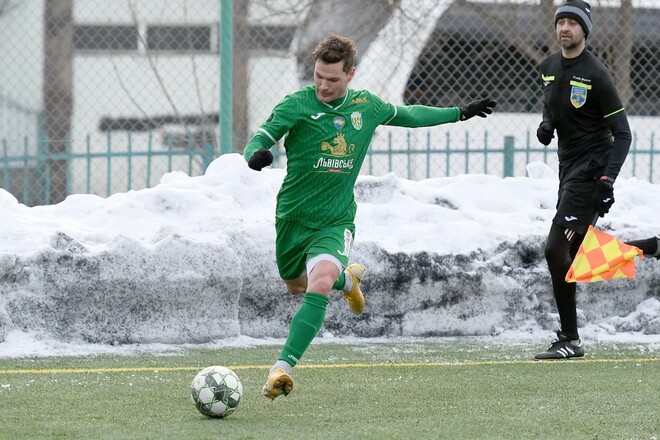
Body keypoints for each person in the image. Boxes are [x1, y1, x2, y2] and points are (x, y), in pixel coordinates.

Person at [244, 33, 496, 398]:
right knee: (297, 286)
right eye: (318, 76)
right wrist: (256, 155)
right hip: (292, 218)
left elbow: (410, 115)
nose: (323, 86)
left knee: (318, 283)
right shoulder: (296, 105)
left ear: (350, 74)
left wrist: (458, 113)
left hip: (335, 220)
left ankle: (281, 368)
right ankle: (348, 281)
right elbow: (260, 138)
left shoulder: (367, 106)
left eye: (332, 79)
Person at [535, 0, 637, 360]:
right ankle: (651, 246)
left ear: (585, 31)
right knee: (578, 253)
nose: (565, 28)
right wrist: (547, 123)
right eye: (560, 21)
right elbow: (551, 101)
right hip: (568, 171)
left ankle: (570, 338)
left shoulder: (597, 74)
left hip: (592, 172)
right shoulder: (548, 66)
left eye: (572, 23)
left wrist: (607, 180)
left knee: (555, 250)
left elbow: (623, 134)